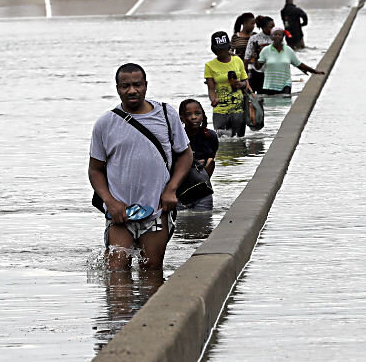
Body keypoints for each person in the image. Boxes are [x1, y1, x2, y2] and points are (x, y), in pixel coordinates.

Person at [89, 63, 192, 271]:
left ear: (145, 85)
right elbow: (95, 170)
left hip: (157, 210)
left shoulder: (166, 114)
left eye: (137, 85)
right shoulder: (105, 123)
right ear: (117, 88)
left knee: (152, 272)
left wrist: (171, 189)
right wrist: (110, 202)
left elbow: (185, 155)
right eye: (125, 86)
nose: (132, 90)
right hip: (120, 214)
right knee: (117, 274)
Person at [205, 31, 250, 137]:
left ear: (229, 47)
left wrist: (240, 84)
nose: (222, 52)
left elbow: (246, 82)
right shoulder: (209, 66)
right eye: (219, 49)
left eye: (224, 48)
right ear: (214, 50)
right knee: (223, 141)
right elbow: (211, 88)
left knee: (239, 140)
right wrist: (213, 99)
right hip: (220, 110)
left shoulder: (237, 60)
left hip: (239, 109)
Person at [257, 26, 325, 95]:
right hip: (270, 86)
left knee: (285, 102)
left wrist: (314, 71)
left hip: (285, 85)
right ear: (271, 37)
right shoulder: (266, 50)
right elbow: (258, 67)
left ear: (283, 37)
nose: (277, 36)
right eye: (275, 34)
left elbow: (299, 64)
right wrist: (255, 57)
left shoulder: (288, 50)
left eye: (279, 35)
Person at [178, 99, 218, 211]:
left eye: (197, 113)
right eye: (188, 114)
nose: (194, 117)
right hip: (181, 189)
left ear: (203, 115)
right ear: (181, 118)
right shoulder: (177, 138)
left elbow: (211, 162)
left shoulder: (210, 136)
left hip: (202, 187)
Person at [244, 16, 275, 93]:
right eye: (271, 27)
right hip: (258, 73)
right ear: (263, 28)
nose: (273, 29)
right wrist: (245, 75)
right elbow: (247, 57)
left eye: (274, 26)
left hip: (273, 74)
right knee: (259, 98)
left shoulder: (277, 38)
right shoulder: (254, 39)